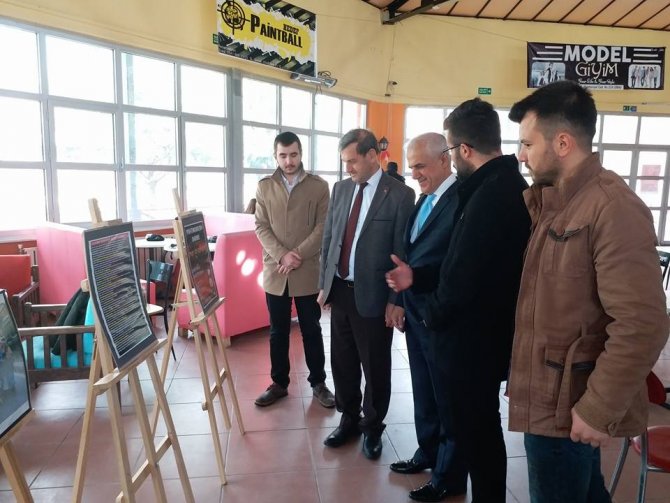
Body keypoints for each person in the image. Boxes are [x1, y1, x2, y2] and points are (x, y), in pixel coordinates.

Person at [507, 81, 670, 503]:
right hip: (550, 396)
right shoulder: (557, 202)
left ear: (562, 143)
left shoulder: (613, 208)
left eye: (527, 143)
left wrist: (598, 409)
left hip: (571, 406)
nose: (521, 155)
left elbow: (643, 323)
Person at [386, 98, 530, 502]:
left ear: (462, 150)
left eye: (449, 150)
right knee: (476, 431)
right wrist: (417, 278)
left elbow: (464, 276)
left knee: (479, 436)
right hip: (471, 336)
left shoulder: (492, 194)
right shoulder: (493, 187)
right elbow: (457, 263)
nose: (525, 155)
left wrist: (431, 315)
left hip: (473, 341)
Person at [318, 128, 415, 460]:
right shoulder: (341, 189)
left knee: (375, 365)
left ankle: (373, 427)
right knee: (342, 361)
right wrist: (324, 284)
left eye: (352, 161)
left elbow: (402, 252)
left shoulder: (400, 195)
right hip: (340, 290)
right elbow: (330, 238)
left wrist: (395, 301)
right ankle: (348, 418)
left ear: (373, 155)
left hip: (374, 295)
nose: (347, 169)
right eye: (344, 162)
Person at [387, 133, 468, 502]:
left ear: (445, 160)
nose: (414, 173)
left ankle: (449, 476)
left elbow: (455, 264)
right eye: (411, 166)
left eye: (420, 165)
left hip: (443, 317)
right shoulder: (425, 198)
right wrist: (400, 301)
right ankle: (429, 452)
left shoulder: (461, 199)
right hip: (416, 313)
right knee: (424, 391)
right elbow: (410, 256)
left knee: (447, 400)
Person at [254, 131, 335, 408]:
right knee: (278, 331)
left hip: (306, 269)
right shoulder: (265, 187)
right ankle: (279, 383)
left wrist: (296, 254)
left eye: (293, 155)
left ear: (301, 154)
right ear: (275, 156)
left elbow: (323, 226)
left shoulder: (319, 186)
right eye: (283, 155)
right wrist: (282, 255)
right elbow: (261, 226)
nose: (289, 161)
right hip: (276, 271)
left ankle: (319, 383)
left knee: (311, 329)